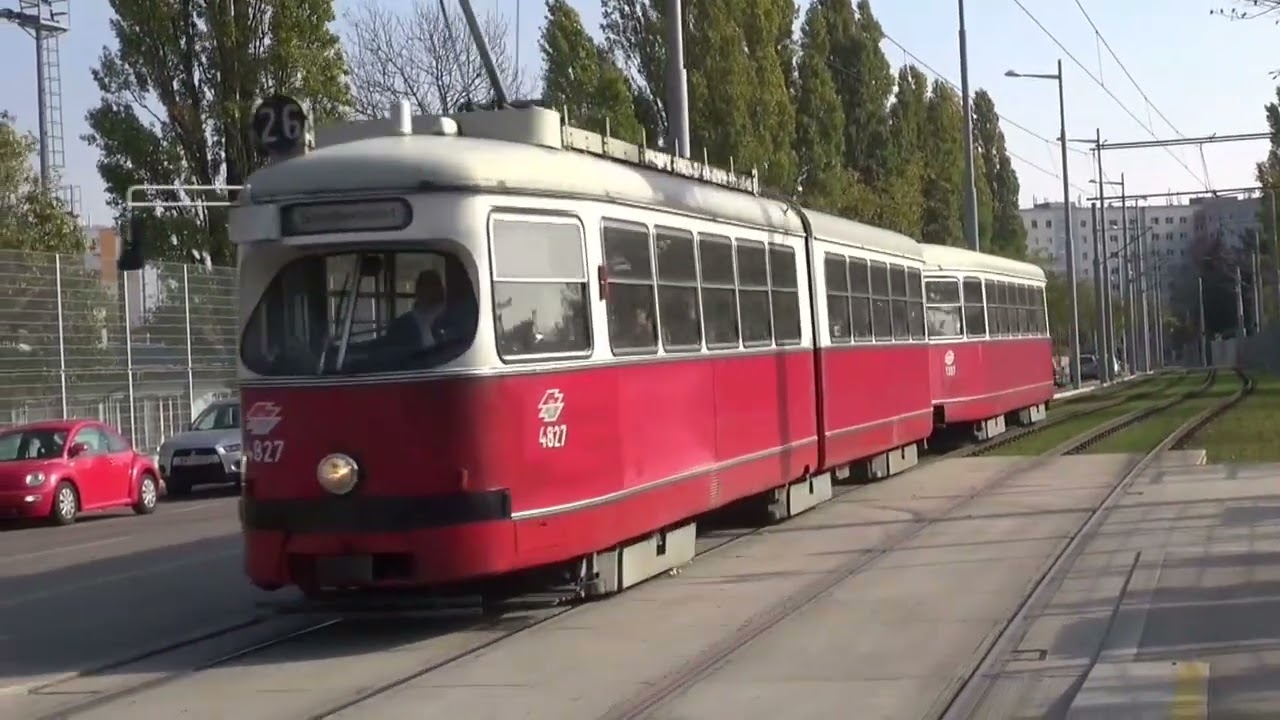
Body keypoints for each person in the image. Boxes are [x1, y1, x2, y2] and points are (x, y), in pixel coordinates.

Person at [386, 269, 449, 349]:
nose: (433, 290)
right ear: (418, 290)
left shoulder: (451, 320)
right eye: (428, 285)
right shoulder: (400, 326)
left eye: (436, 285)